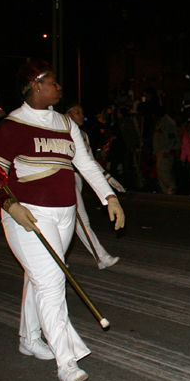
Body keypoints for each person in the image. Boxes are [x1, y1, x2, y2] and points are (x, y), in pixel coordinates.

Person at [0, 61, 125, 381]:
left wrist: (109, 197)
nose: (59, 87)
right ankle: (67, 363)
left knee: (40, 276)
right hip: (29, 216)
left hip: (65, 214)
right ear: (35, 86)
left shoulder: (64, 123)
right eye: (52, 81)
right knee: (51, 282)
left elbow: (85, 164)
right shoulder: (10, 127)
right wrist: (10, 205)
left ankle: (29, 338)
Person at [64, 101, 125, 269]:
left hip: (78, 179)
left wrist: (107, 177)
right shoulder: (61, 132)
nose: (80, 115)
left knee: (70, 221)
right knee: (81, 219)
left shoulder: (83, 135)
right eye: (76, 112)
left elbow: (89, 161)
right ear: (67, 115)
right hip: (65, 178)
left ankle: (55, 260)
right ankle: (101, 257)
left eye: (81, 112)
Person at [153, 105, 179, 194]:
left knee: (163, 169)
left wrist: (168, 150)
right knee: (160, 170)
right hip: (160, 150)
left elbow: (171, 137)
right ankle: (165, 190)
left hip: (166, 150)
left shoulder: (168, 122)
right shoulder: (160, 122)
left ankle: (171, 186)